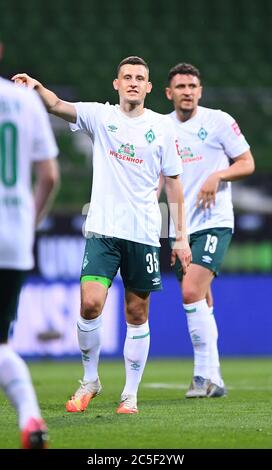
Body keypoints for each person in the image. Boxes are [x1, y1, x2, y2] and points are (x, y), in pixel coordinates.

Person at [13, 56, 191, 414]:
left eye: (140, 78)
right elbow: (58, 106)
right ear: (116, 83)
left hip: (142, 232)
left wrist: (181, 236)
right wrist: (37, 87)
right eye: (127, 77)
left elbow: (173, 182)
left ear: (149, 87)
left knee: (136, 312)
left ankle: (130, 393)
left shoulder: (162, 128)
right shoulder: (101, 116)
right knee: (90, 303)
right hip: (102, 230)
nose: (133, 83)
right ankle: (90, 379)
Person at [163, 63, 255, 398]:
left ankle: (203, 376)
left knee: (190, 292)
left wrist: (218, 176)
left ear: (200, 91)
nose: (187, 91)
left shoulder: (218, 121)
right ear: (168, 93)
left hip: (215, 220)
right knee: (199, 297)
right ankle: (214, 378)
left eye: (192, 85)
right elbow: (160, 178)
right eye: (180, 86)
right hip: (181, 227)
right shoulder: (161, 127)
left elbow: (247, 162)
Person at [0, 64, 59, 447]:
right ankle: (30, 417)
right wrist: (29, 224)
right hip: (13, 240)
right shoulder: (23, 100)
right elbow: (50, 176)